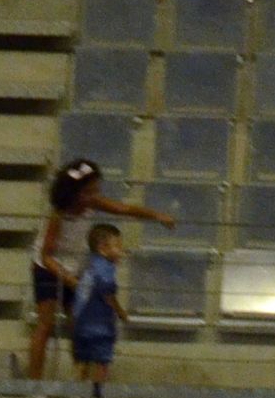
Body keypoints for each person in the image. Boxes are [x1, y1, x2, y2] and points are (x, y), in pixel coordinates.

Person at [25, 160, 172, 382]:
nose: (93, 196)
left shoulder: (91, 203)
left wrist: (156, 216)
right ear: (74, 192)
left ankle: (80, 378)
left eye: (95, 190)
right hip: (49, 267)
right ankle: (32, 383)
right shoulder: (59, 215)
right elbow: (46, 255)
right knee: (45, 324)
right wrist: (67, 278)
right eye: (88, 192)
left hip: (75, 267)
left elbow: (124, 209)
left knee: (80, 324)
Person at [72, 221, 125, 391]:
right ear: (103, 248)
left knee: (83, 359)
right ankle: (98, 392)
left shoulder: (90, 266)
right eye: (118, 246)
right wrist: (121, 312)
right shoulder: (106, 269)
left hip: (81, 322)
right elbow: (107, 293)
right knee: (102, 360)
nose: (121, 251)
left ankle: (78, 391)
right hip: (99, 323)